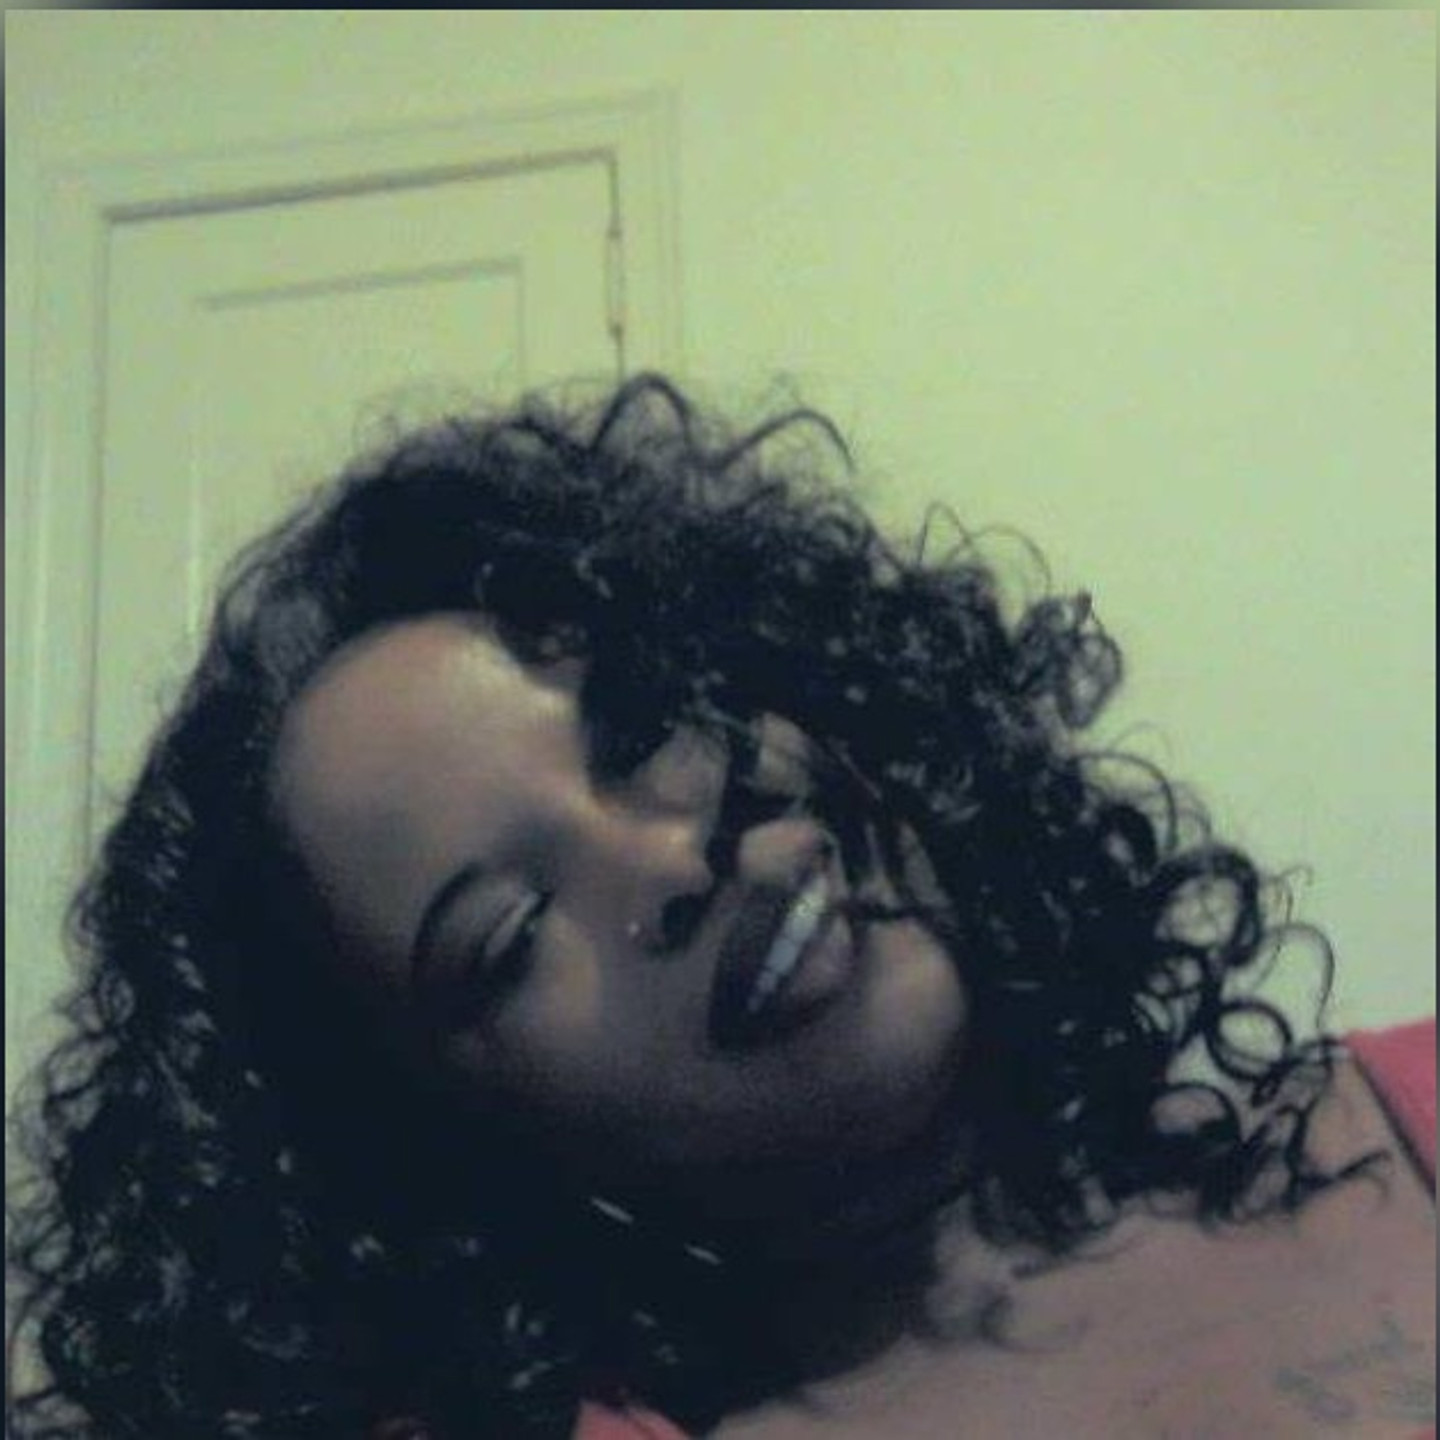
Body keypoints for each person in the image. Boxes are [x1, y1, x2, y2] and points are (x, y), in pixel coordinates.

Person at [6, 375, 1434, 1439]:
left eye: (643, 723)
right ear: (444, 1142)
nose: (675, 862)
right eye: (508, 938)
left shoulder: (1409, 1108)